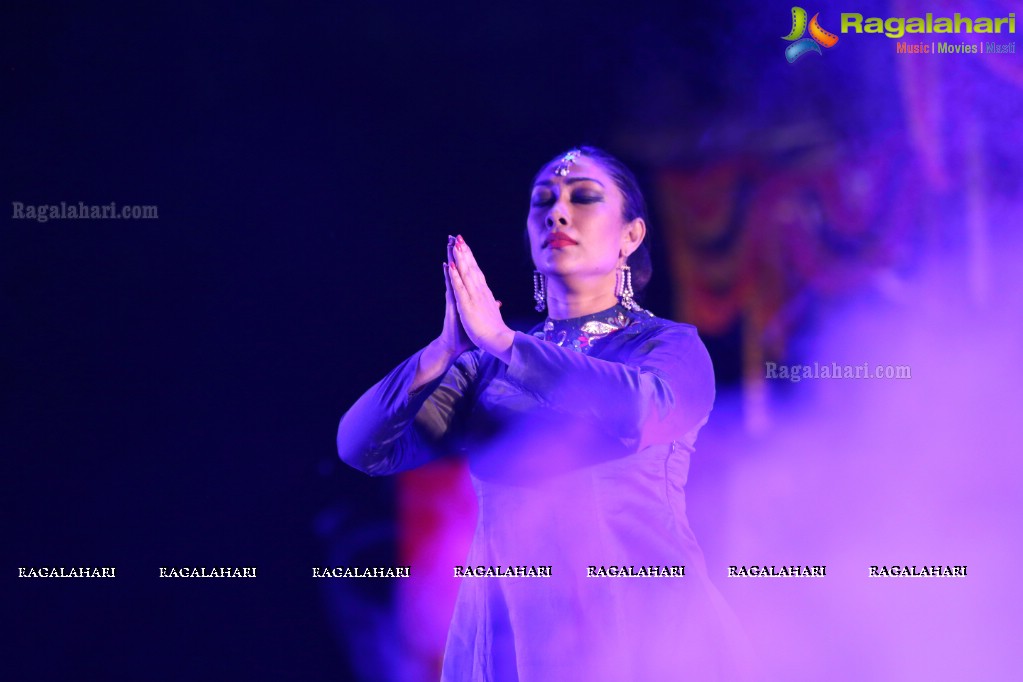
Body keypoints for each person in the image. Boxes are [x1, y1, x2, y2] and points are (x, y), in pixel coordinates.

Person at [337, 146, 755, 681]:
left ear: (631, 236)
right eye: (542, 202)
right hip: (519, 636)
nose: (557, 212)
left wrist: (508, 344)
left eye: (584, 198)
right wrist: (442, 351)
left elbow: (641, 411)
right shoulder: (486, 367)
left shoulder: (668, 348)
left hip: (646, 628)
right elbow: (362, 447)